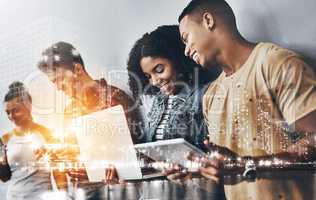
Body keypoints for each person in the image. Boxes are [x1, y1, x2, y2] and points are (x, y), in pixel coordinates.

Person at [175, 0, 316, 199]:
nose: (186, 50)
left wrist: (246, 166)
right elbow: (227, 172)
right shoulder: (211, 96)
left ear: (208, 20)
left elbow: (314, 140)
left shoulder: (277, 63)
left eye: (186, 38)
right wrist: (194, 173)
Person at [37, 42, 141, 199]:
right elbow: (69, 157)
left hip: (117, 192)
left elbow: (135, 151)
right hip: (82, 193)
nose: (57, 88)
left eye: (58, 79)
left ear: (77, 69)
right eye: (53, 82)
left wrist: (117, 165)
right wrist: (54, 156)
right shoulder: (69, 111)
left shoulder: (115, 99)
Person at [127, 25, 219, 148]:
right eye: (148, 76)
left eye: (159, 69)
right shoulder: (159, 100)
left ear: (178, 59)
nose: (154, 82)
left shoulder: (205, 93)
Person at [0, 81, 65, 200]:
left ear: (28, 106)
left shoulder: (47, 134)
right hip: (13, 196)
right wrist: (2, 163)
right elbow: (4, 177)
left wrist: (64, 195)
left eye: (15, 110)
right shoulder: (4, 139)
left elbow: (58, 172)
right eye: (7, 112)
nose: (11, 116)